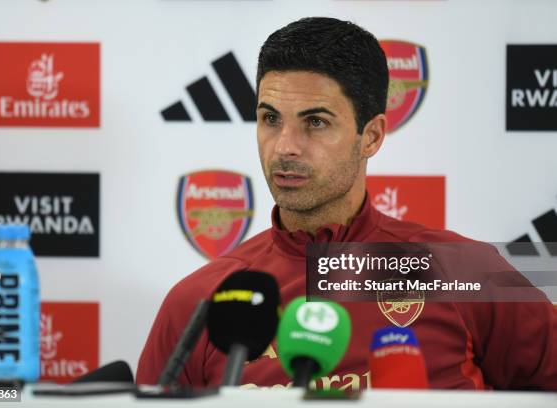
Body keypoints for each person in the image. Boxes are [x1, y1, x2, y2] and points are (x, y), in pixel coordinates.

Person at [137, 17, 557, 390]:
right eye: (270, 119)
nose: (284, 147)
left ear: (371, 136)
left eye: (315, 122)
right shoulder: (199, 301)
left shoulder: (464, 272)